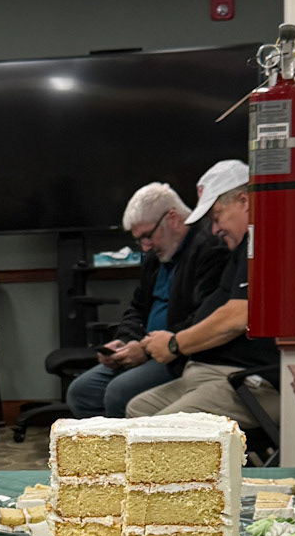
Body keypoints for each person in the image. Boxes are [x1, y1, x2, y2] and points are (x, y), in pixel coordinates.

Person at [125, 160, 281, 431]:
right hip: (207, 373)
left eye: (216, 217)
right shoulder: (241, 248)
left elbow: (237, 317)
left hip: (244, 381)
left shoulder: (262, 241)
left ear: (244, 201)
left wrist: (174, 344)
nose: (214, 229)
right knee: (138, 409)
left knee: (157, 432)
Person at [66, 183, 229, 417]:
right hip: (147, 350)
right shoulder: (155, 256)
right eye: (140, 240)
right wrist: (123, 341)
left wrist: (145, 349)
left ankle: (131, 441)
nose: (145, 247)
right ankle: (108, 442)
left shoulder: (211, 250)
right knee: (81, 392)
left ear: (173, 218)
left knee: (118, 392)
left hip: (181, 355)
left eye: (148, 236)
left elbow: (204, 317)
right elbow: (137, 307)